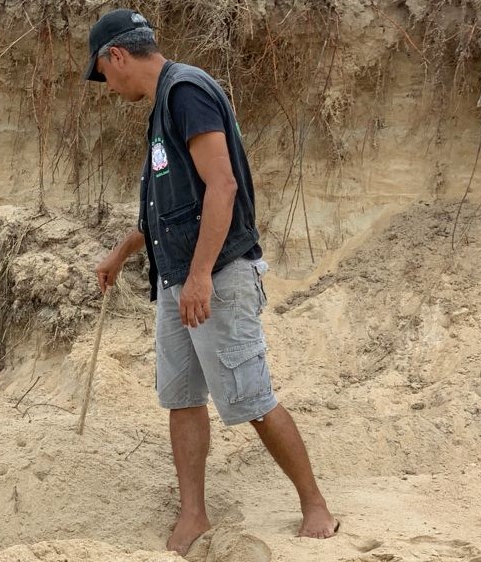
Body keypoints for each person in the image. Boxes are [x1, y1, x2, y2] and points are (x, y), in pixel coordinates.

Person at [84, 9, 339, 556]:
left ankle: (314, 504)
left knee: (251, 396)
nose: (107, 85)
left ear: (117, 56)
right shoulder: (163, 108)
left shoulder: (186, 92)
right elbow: (170, 207)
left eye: (103, 73)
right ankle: (194, 514)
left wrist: (201, 277)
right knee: (181, 397)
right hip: (177, 277)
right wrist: (122, 252)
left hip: (216, 274)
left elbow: (221, 185)